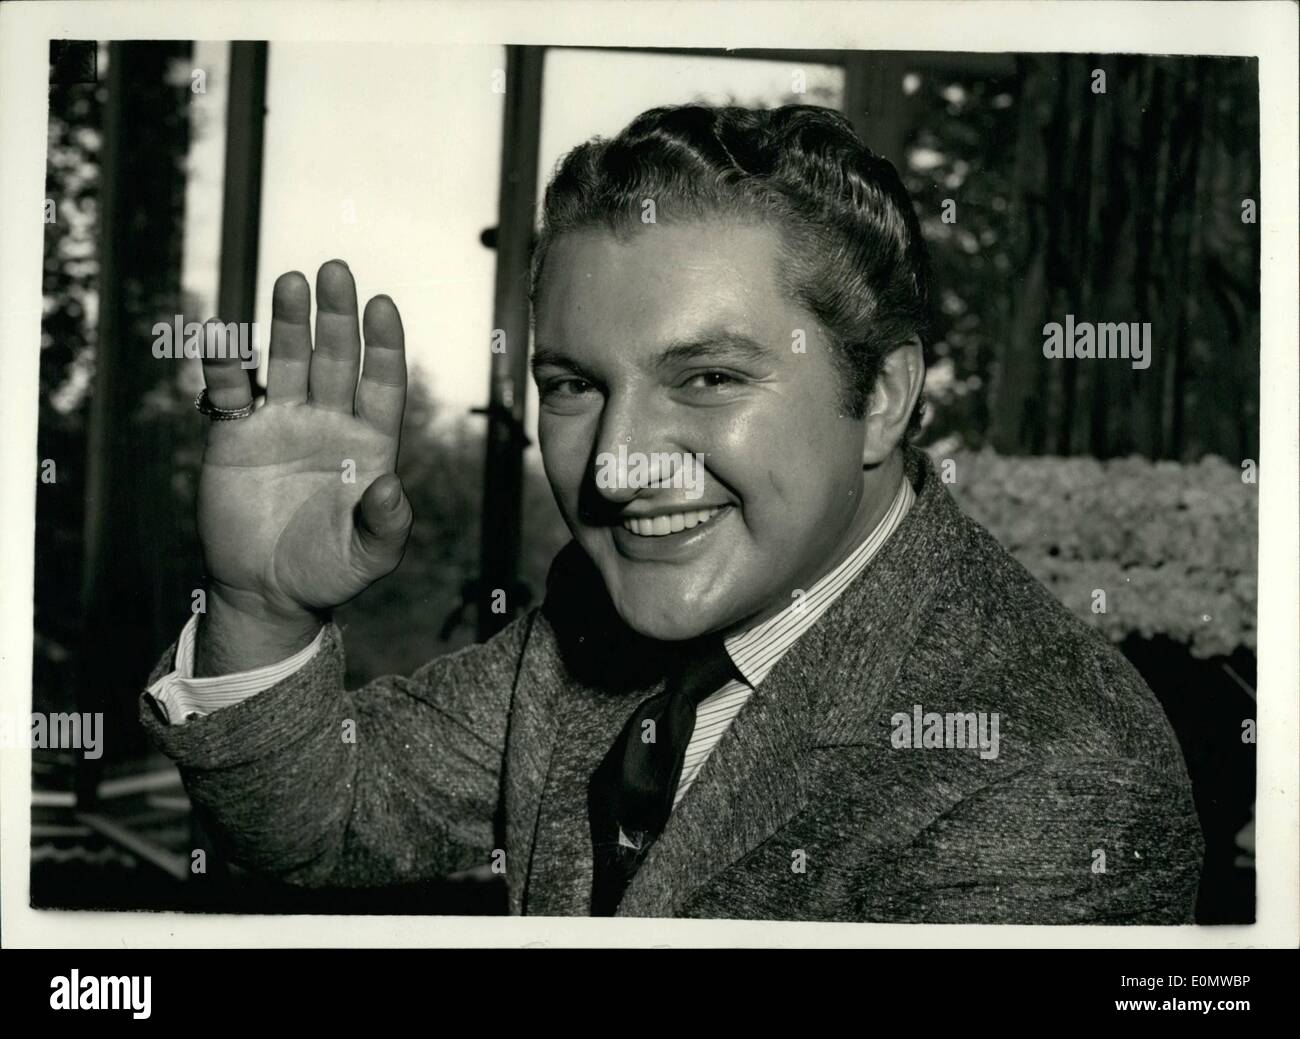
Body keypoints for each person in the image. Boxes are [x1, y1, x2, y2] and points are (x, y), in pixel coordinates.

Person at [140, 104, 1204, 921]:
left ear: (879, 395)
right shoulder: (593, 620)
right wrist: (261, 604)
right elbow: (321, 820)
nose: (615, 466)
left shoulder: (1056, 775)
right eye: (572, 384)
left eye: (705, 378)